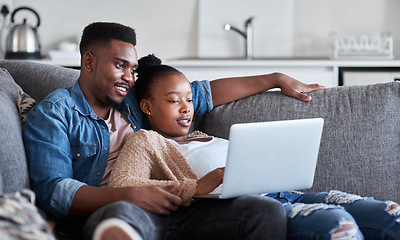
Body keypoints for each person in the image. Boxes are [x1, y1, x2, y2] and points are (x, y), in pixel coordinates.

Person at [22, 22, 325, 240]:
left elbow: (203, 93)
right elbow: (54, 192)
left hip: (177, 204)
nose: (128, 77)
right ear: (88, 62)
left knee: (262, 211)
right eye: (119, 66)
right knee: (118, 220)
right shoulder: (54, 114)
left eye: (132, 69)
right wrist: (129, 195)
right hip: (114, 209)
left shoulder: (134, 101)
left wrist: (275, 77)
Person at [109, 53, 400, 240]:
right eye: (174, 101)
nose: (186, 108)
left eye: (189, 99)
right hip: (255, 209)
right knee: (337, 224)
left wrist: (276, 79)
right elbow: (122, 184)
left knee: (389, 213)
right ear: (146, 106)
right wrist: (194, 187)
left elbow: (207, 93)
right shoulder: (146, 141)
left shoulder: (200, 134)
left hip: (287, 195)